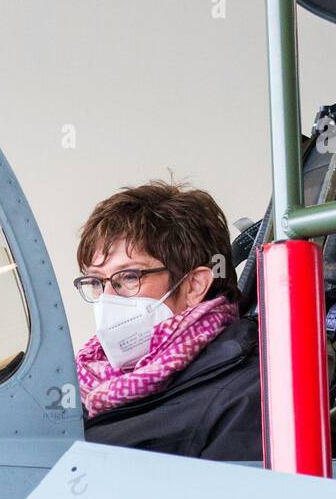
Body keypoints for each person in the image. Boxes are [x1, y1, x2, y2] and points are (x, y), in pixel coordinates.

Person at [74, 180, 262, 461]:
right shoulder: (88, 380)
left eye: (128, 277)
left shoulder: (244, 396)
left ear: (195, 285)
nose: (107, 298)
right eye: (96, 282)